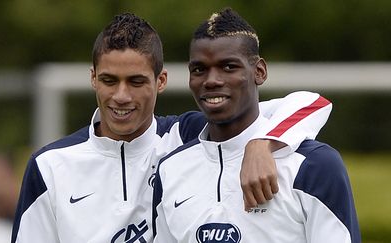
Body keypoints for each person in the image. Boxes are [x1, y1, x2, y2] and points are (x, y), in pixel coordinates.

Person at [12, 13, 332, 243]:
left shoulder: (185, 136)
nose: (121, 96)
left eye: (136, 82)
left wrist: (263, 143)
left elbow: (311, 104)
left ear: (161, 81)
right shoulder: (50, 165)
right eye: (109, 81)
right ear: (93, 78)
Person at [153, 8, 360, 243]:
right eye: (199, 69)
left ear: (259, 72)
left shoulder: (313, 166)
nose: (211, 80)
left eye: (229, 67)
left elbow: (315, 102)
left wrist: (260, 144)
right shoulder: (170, 169)